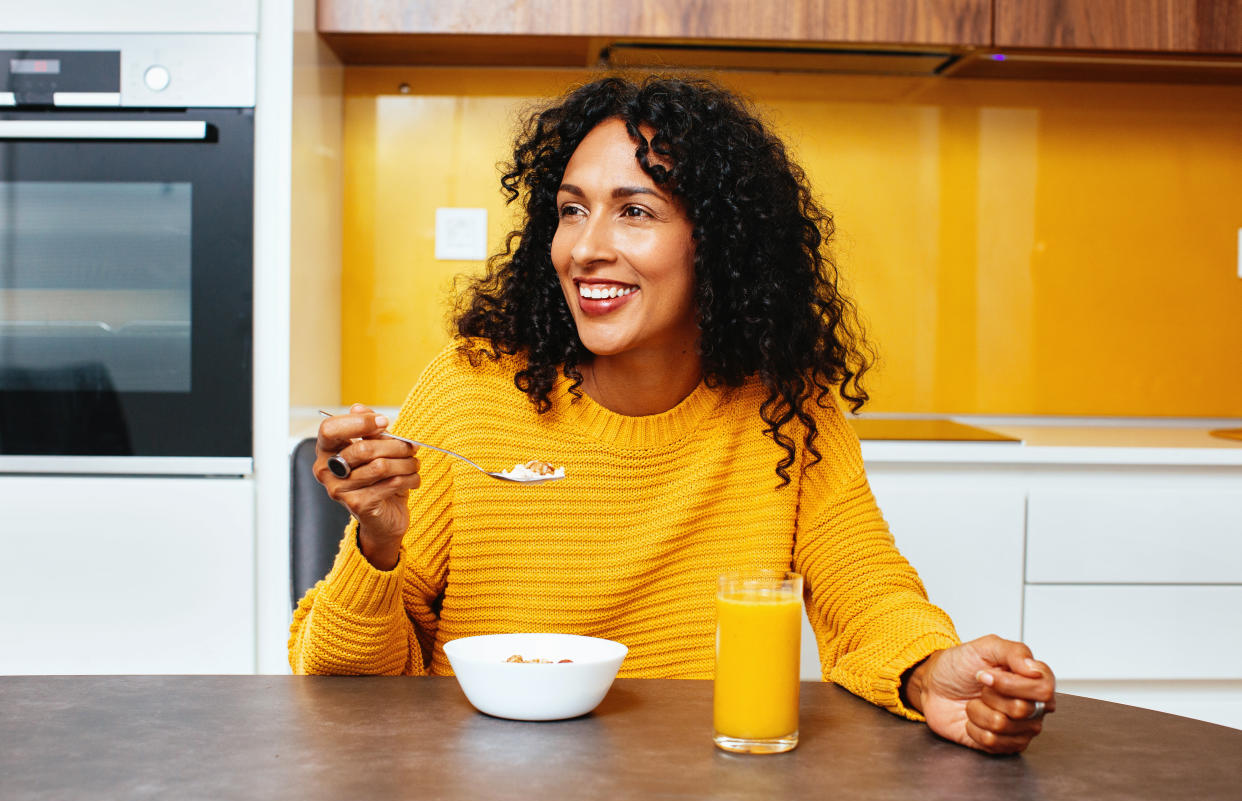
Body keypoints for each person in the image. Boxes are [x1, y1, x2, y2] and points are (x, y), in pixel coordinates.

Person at [291, 75, 1056, 754]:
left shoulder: (786, 410)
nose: (586, 247)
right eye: (570, 210)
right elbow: (344, 680)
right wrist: (379, 545)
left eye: (635, 211)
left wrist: (928, 672)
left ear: (716, 245)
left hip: (705, 785)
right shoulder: (472, 390)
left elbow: (867, 592)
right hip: (482, 781)